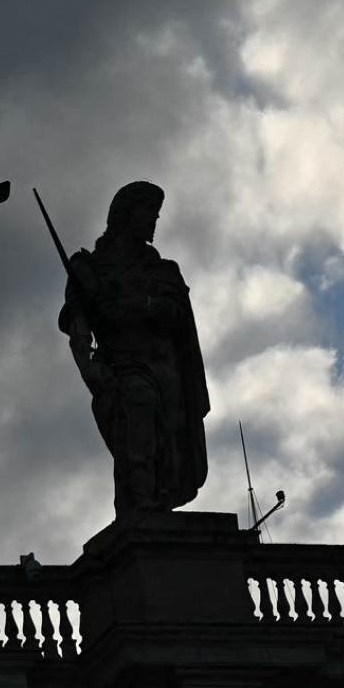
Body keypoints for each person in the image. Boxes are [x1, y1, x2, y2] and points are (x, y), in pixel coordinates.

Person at [60, 180, 208, 518]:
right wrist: (88, 368)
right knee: (137, 429)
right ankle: (140, 509)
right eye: (149, 214)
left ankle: (158, 509)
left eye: (156, 216)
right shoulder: (89, 269)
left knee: (169, 447)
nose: (154, 222)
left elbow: (175, 314)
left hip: (167, 369)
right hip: (125, 365)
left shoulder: (163, 270)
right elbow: (77, 324)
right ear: (126, 215)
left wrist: (134, 306)